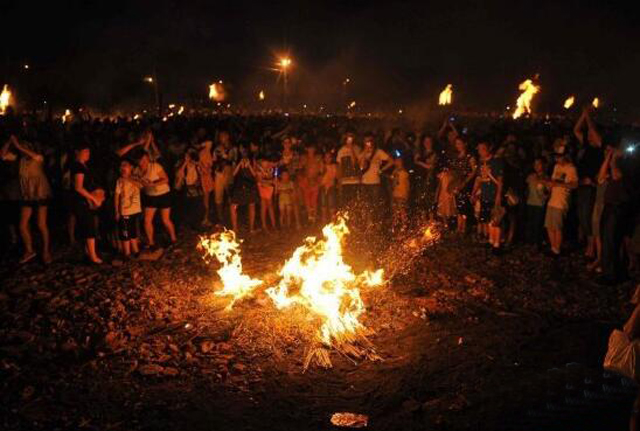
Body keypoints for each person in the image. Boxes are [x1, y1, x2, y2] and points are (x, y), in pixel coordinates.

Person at [2, 135, 53, 264]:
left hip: (40, 192)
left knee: (41, 224)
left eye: (25, 146)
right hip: (27, 193)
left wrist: (18, 145)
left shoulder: (38, 157)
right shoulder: (20, 159)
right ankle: (29, 250)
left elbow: (35, 156)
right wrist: (9, 142)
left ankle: (46, 251)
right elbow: (2, 156)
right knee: (22, 224)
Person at [597, 144, 634, 285]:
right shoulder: (614, 165)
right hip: (609, 207)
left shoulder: (626, 166)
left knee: (612, 241)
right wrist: (608, 157)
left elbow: (616, 175)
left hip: (617, 208)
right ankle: (609, 271)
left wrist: (613, 159)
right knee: (606, 239)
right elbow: (600, 177)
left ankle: (612, 275)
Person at [573, 107, 604, 258]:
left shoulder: (599, 148)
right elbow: (576, 130)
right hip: (581, 185)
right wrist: (583, 115)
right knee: (582, 216)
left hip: (591, 186)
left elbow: (594, 135)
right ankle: (588, 244)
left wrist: (589, 119)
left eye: (592, 135)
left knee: (588, 217)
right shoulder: (586, 145)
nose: (589, 137)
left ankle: (591, 248)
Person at [71, 142, 104, 264]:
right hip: (81, 202)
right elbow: (78, 187)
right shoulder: (78, 166)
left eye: (88, 151)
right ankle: (93, 257)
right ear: (77, 152)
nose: (88, 153)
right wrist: (93, 198)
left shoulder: (83, 165)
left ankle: (88, 252)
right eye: (85, 151)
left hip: (84, 201)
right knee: (89, 227)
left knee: (87, 226)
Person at [136, 151, 177, 249]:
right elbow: (137, 182)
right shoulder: (136, 170)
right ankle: (151, 243)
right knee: (147, 220)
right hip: (150, 196)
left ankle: (173, 239)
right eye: (141, 160)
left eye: (146, 159)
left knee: (165, 220)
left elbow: (166, 179)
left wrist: (153, 184)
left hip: (163, 194)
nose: (144, 161)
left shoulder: (155, 166)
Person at [543, 148, 578, 257]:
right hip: (552, 199)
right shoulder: (556, 167)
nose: (556, 158)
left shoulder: (571, 168)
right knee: (549, 226)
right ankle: (553, 247)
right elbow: (553, 181)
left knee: (557, 227)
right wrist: (548, 186)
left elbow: (574, 185)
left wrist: (558, 184)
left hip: (561, 201)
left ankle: (557, 249)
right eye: (555, 156)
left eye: (559, 156)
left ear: (565, 156)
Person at [472, 141, 504, 254]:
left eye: (483, 148)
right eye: (479, 149)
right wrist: (473, 193)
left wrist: (498, 196)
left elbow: (500, 181)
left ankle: (497, 244)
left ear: (488, 149)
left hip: (494, 195)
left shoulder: (496, 162)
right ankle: (491, 241)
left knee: (495, 220)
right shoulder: (481, 163)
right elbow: (478, 179)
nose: (480, 151)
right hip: (484, 195)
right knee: (487, 220)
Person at [358, 135, 393, 229]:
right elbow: (360, 166)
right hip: (365, 182)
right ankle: (368, 224)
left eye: (369, 141)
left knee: (375, 205)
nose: (367, 143)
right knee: (366, 204)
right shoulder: (362, 153)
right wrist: (365, 152)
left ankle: (377, 224)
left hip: (375, 182)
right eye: (365, 141)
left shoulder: (378, 152)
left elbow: (391, 161)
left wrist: (381, 170)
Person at [114, 159, 142, 258]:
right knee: (125, 231)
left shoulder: (136, 178)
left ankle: (136, 250)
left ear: (131, 167)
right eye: (121, 165)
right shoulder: (119, 180)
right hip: (124, 210)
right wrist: (117, 211)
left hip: (135, 209)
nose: (122, 167)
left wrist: (128, 179)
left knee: (133, 230)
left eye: (125, 165)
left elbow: (141, 186)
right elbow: (116, 196)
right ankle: (127, 253)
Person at [450, 137, 477, 235]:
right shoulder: (457, 157)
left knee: (464, 205)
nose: (458, 146)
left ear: (465, 144)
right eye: (456, 144)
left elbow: (474, 171)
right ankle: (459, 227)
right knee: (458, 205)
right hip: (457, 183)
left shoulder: (470, 157)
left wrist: (465, 182)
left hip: (466, 184)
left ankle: (464, 228)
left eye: (460, 143)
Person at [174, 147, 202, 229]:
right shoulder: (181, 163)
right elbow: (178, 174)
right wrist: (185, 163)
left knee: (195, 208)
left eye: (190, 155)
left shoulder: (196, 165)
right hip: (185, 189)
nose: (189, 156)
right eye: (187, 154)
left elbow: (202, 173)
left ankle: (195, 224)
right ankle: (182, 225)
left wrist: (198, 164)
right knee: (184, 208)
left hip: (195, 189)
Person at [229, 152, 257, 234]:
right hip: (239, 188)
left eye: (246, 158)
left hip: (250, 187)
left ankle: (251, 229)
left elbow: (254, 174)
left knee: (252, 206)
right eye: (243, 158)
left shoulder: (252, 161)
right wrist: (239, 164)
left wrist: (249, 166)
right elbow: (233, 174)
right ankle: (235, 228)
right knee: (233, 207)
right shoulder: (237, 162)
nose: (244, 159)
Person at [413, 135, 439, 220]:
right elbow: (415, 161)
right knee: (421, 200)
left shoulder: (434, 154)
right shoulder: (421, 153)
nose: (427, 143)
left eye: (429, 141)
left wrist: (420, 162)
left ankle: (431, 220)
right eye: (425, 141)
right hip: (420, 179)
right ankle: (423, 221)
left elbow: (431, 166)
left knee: (429, 200)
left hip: (429, 179)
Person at [525, 158, 548, 248]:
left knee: (538, 224)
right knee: (530, 222)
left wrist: (545, 196)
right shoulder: (531, 176)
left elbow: (548, 191)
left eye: (539, 164)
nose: (536, 166)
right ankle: (530, 241)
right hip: (530, 202)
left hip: (540, 204)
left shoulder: (546, 177)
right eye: (535, 164)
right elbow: (527, 188)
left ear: (543, 165)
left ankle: (537, 242)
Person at [299, 144, 323, 223]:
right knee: (307, 200)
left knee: (314, 200)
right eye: (309, 148)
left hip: (315, 181)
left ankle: (314, 217)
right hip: (306, 181)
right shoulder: (304, 158)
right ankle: (310, 217)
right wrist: (305, 178)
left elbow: (321, 170)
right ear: (306, 149)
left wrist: (317, 180)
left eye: (312, 148)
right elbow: (300, 169)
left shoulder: (318, 158)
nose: (311, 150)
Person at [336, 132, 361, 211]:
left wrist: (351, 149)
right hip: (345, 181)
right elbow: (339, 166)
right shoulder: (341, 150)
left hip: (355, 180)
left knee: (355, 202)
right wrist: (339, 180)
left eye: (351, 137)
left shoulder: (357, 149)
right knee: (346, 203)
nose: (349, 140)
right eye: (348, 138)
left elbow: (355, 163)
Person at [198, 139, 215, 226]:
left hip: (207, 177)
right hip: (205, 178)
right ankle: (205, 218)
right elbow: (203, 167)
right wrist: (206, 169)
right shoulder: (204, 153)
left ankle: (206, 217)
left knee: (207, 198)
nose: (210, 145)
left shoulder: (207, 153)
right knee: (206, 199)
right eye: (209, 144)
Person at [256, 156, 276, 231]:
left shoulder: (270, 169)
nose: (265, 163)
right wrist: (270, 182)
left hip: (269, 189)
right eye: (264, 162)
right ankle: (264, 225)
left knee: (270, 206)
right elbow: (260, 181)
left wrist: (270, 181)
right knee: (263, 206)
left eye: (266, 162)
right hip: (262, 188)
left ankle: (273, 224)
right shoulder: (259, 171)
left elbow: (271, 178)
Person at [391, 155, 410, 234]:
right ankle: (396, 227)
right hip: (397, 193)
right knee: (396, 210)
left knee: (402, 210)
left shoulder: (403, 172)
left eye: (399, 161)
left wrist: (407, 193)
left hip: (402, 193)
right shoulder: (395, 172)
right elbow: (393, 184)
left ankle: (404, 226)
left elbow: (407, 184)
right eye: (396, 160)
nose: (397, 162)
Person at [320, 151, 337, 223]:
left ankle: (332, 220)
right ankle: (324, 220)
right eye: (326, 157)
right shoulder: (322, 166)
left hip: (331, 187)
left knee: (331, 204)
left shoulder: (334, 166)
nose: (327, 159)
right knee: (323, 204)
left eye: (329, 157)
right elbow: (321, 176)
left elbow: (334, 176)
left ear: (331, 158)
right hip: (323, 186)